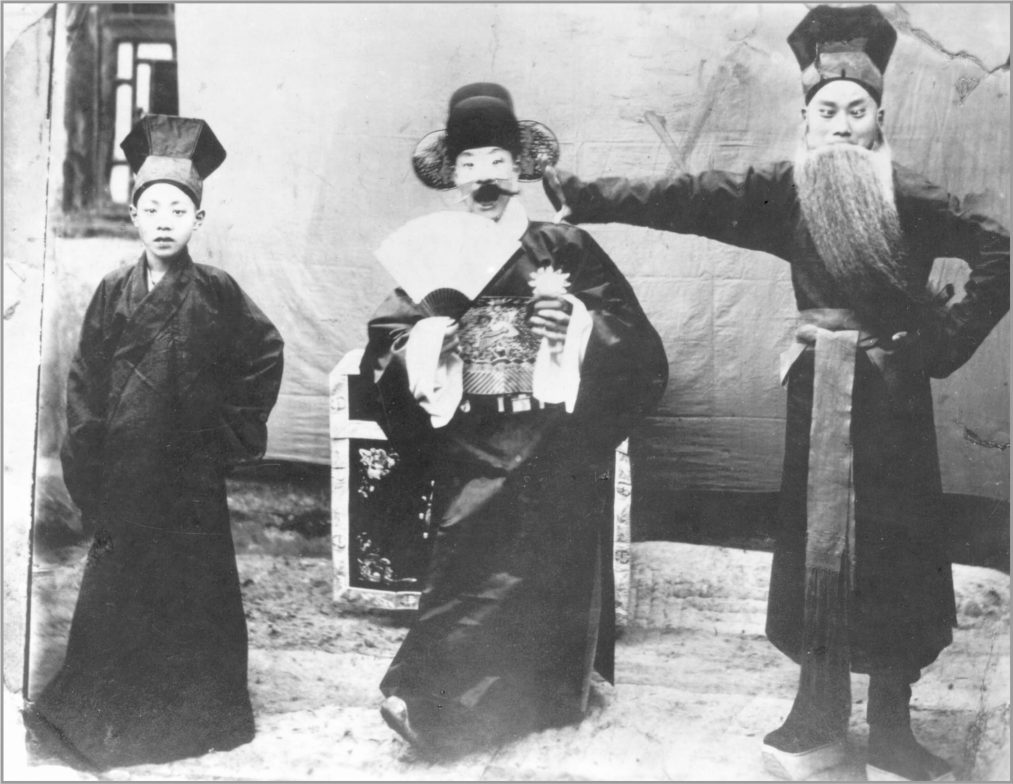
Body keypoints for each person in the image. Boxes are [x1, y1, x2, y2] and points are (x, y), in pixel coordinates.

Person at [541, 6, 1009, 782]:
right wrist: (586, 195)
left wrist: (943, 344)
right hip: (814, 392)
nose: (840, 126)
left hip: (891, 399)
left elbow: (998, 247)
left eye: (855, 111)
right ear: (805, 120)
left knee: (895, 550)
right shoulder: (782, 191)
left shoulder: (910, 194)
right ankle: (816, 713)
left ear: (878, 120)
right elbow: (685, 196)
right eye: (825, 112)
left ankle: (891, 726)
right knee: (813, 548)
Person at [362, 83, 668, 755]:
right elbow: (386, 342)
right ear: (452, 179)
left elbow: (636, 344)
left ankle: (537, 699)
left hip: (551, 436)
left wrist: (577, 324)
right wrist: (429, 339)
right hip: (471, 437)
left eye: (497, 160)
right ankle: (430, 704)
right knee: (467, 569)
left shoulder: (562, 245)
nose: (484, 177)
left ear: (520, 169)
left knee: (544, 568)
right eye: (469, 164)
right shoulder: (433, 257)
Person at [25, 115, 285, 771]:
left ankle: (197, 713)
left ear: (199, 218)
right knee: (120, 589)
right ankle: (108, 709)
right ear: (133, 216)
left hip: (191, 477)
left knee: (192, 590)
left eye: (178, 209)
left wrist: (226, 435)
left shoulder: (217, 291)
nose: (164, 222)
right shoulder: (114, 290)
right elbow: (84, 379)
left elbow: (263, 354)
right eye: (152, 209)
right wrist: (89, 458)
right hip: (126, 469)